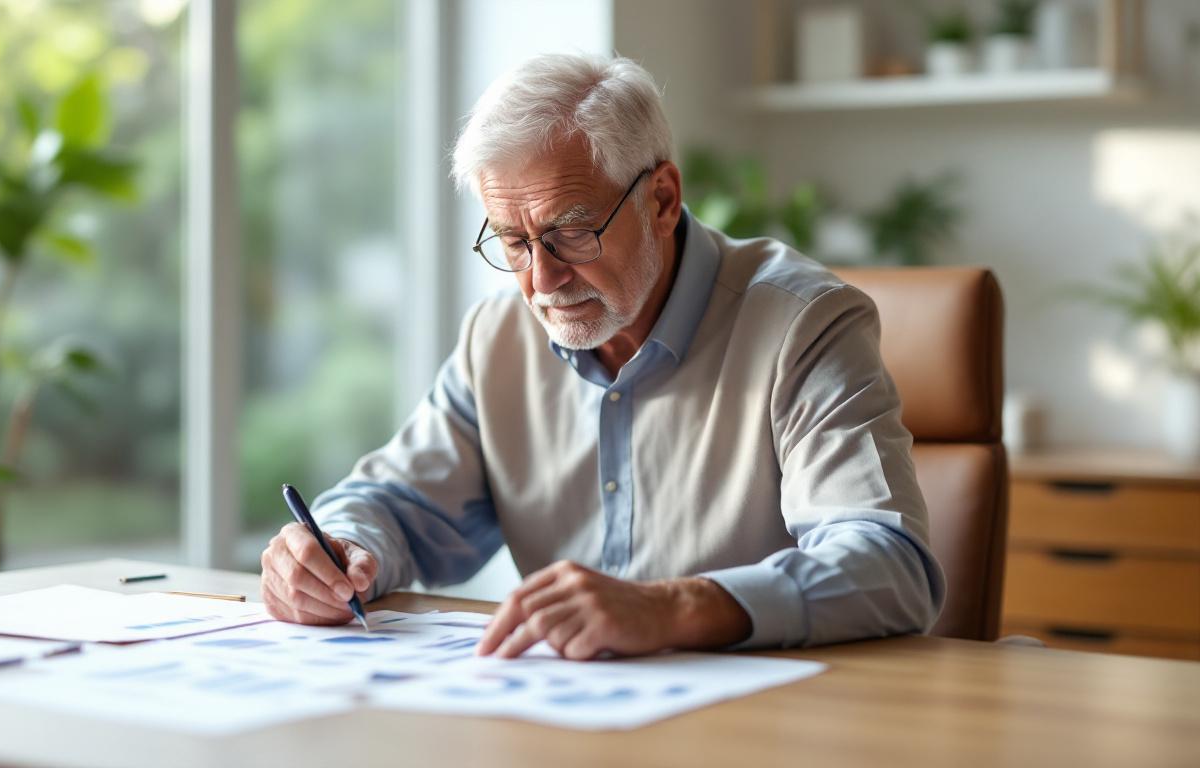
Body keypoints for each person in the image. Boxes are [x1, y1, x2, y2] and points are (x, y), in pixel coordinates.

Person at [260, 53, 945, 660]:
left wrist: (672, 608)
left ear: (664, 201)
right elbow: (402, 503)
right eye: (514, 243)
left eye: (572, 233)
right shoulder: (498, 336)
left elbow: (888, 566)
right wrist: (337, 550)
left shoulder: (802, 325)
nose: (542, 281)